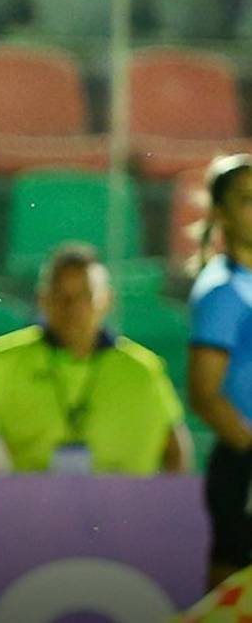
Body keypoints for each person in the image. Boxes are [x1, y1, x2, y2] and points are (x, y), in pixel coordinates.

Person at [0, 243, 193, 476]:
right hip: (29, 500)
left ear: (107, 300)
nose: (72, 307)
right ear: (43, 300)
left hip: (122, 502)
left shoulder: (143, 369)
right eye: (60, 296)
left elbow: (175, 448)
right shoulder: (1, 358)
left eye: (85, 296)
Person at [188, 153, 252, 590]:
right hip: (242, 468)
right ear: (221, 213)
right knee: (233, 595)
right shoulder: (222, 291)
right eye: (246, 199)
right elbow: (205, 394)